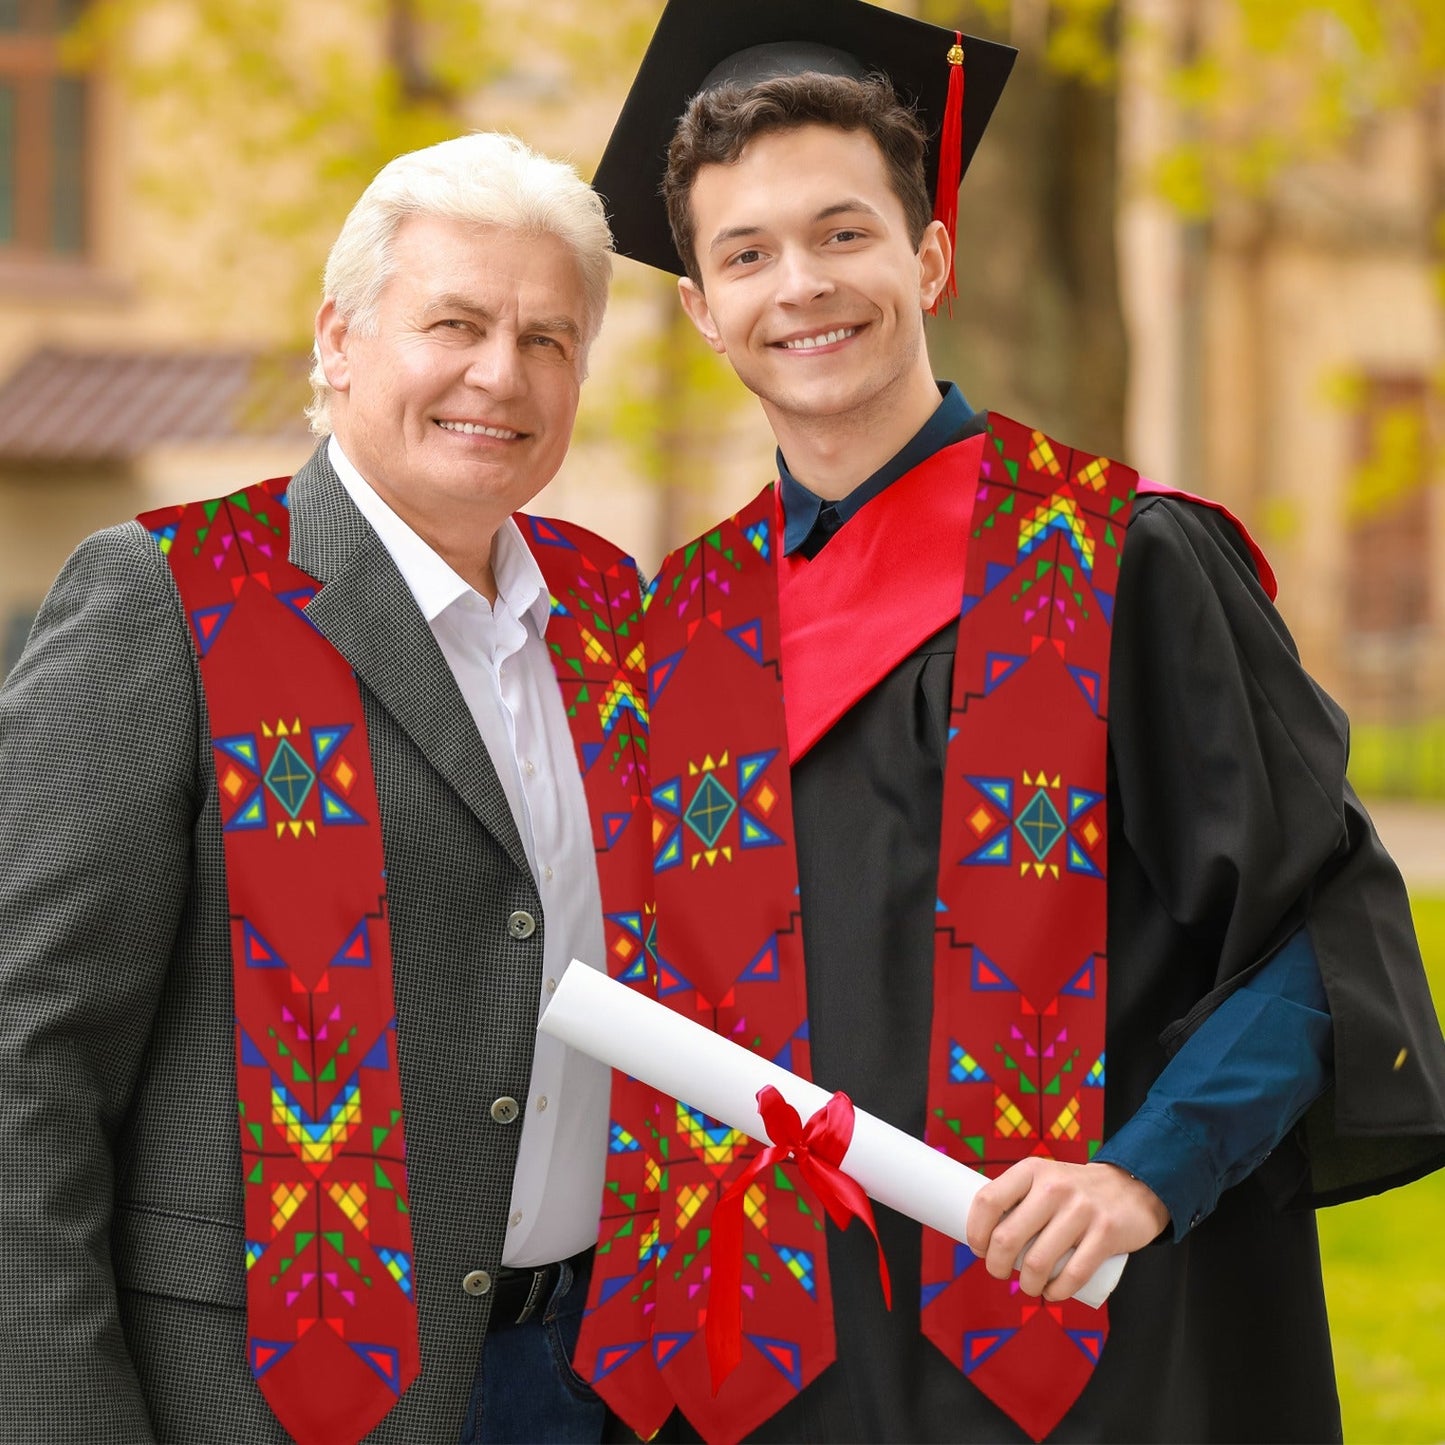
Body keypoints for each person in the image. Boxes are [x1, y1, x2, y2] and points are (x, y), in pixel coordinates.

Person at [562, 2, 1445, 1441]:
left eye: (843, 233)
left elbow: (1316, 933)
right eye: (746, 254)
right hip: (771, 1376)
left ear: (929, 254)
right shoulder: (681, 629)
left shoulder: (1124, 563)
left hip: (1086, 1346)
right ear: (701, 307)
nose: (801, 285)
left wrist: (1144, 1171)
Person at [0, 132, 643, 1445]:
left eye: (546, 338)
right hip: (261, 1398)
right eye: (453, 321)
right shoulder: (173, 595)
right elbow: (27, 1057)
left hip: (584, 1383)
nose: (497, 374)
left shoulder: (610, 615)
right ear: (338, 339)